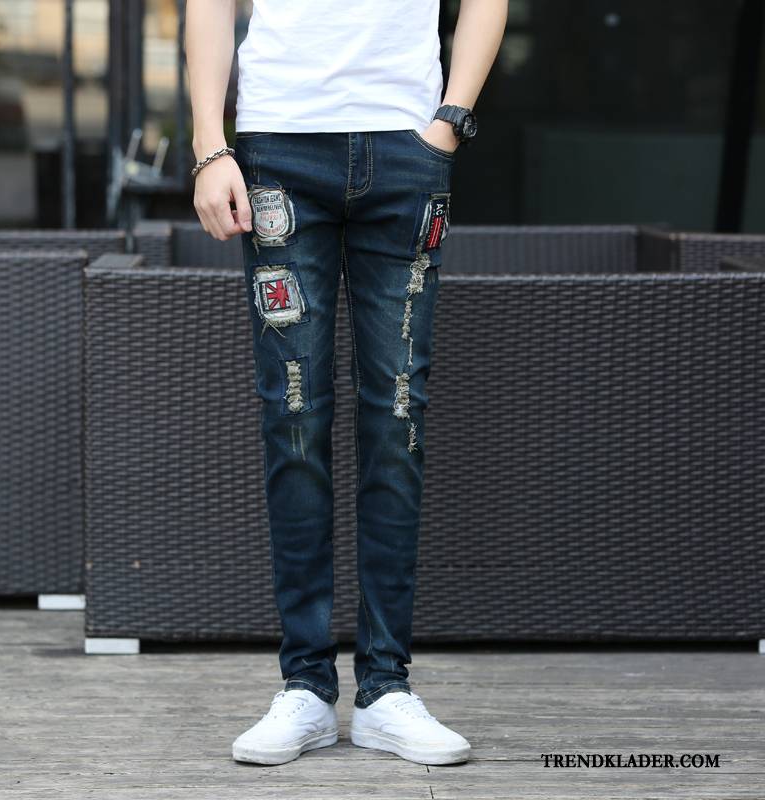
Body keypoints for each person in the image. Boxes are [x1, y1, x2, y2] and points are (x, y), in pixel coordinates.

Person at [185, 0, 507, 767]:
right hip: (278, 147)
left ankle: (385, 690)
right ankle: (304, 685)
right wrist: (208, 146)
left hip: (407, 147)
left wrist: (451, 119)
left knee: (398, 418)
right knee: (294, 419)